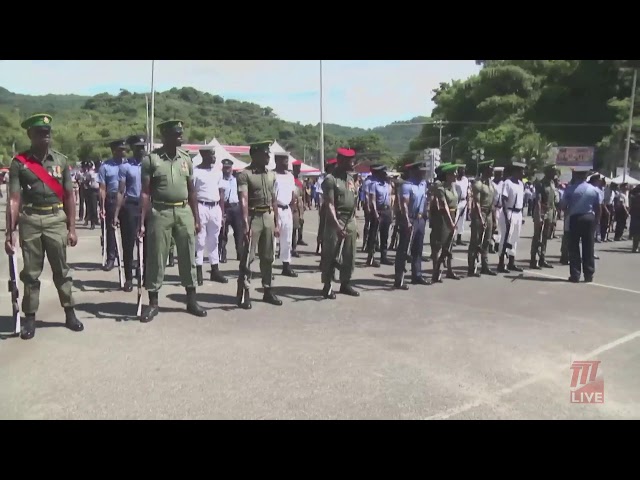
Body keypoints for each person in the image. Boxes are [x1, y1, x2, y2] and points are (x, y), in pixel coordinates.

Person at [5, 113, 84, 340]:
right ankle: (29, 317)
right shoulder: (20, 163)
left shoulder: (60, 161)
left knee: (61, 270)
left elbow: (69, 196)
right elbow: (13, 199)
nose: (46, 135)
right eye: (40, 132)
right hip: (30, 220)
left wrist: (72, 227)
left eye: (48, 132)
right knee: (31, 273)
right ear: (30, 135)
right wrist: (10, 232)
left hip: (55, 219)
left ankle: (69, 312)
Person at [138, 119, 206, 321]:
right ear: (165, 136)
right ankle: (153, 303)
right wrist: (143, 220)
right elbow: (145, 193)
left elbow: (192, 191)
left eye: (180, 132)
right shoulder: (151, 160)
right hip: (160, 211)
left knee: (188, 255)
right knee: (157, 257)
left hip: (184, 210)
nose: (180, 136)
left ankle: (191, 300)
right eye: (176, 133)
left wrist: (196, 217)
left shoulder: (186, 159)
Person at [236, 140, 281, 308]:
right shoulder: (244, 174)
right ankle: (244, 292)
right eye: (265, 153)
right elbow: (243, 199)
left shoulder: (271, 175)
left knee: (268, 256)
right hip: (253, 217)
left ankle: (268, 290)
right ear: (254, 155)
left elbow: (274, 199)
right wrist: (245, 223)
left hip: (268, 216)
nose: (268, 156)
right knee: (248, 257)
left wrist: (276, 223)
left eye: (268, 153)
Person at [320, 148, 360, 299]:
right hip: (336, 220)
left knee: (350, 254)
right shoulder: (331, 179)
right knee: (331, 254)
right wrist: (337, 226)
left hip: (350, 220)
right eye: (350, 160)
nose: (352, 163)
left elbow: (354, 202)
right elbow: (329, 204)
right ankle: (327, 285)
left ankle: (345, 283)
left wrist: (355, 223)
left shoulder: (350, 179)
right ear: (340, 160)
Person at [113, 134, 145, 291]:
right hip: (131, 206)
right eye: (138, 148)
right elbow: (120, 191)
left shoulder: (149, 165)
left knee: (146, 243)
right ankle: (129, 278)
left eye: (143, 148)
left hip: (146, 206)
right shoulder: (125, 167)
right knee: (128, 243)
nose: (141, 151)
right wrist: (116, 213)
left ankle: (142, 273)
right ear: (132, 149)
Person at [560, 166, 601, 282]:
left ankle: (575, 274)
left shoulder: (570, 189)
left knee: (573, 247)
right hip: (589, 218)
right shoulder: (594, 190)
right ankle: (589, 274)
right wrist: (597, 221)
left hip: (575, 218)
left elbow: (563, 206)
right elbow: (598, 207)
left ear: (576, 175)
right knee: (589, 247)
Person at [193, 146, 227, 285]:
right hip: (201, 206)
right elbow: (192, 194)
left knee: (214, 240)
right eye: (212, 155)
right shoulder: (195, 172)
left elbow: (221, 193)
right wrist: (195, 216)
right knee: (200, 241)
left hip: (215, 207)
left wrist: (222, 212)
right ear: (204, 155)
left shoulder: (217, 172)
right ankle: (198, 271)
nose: (214, 157)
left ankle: (215, 270)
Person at [98, 139, 128, 272]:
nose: (123, 151)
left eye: (124, 149)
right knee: (111, 229)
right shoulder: (106, 167)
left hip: (126, 200)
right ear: (114, 151)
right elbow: (102, 188)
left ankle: (127, 258)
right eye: (120, 149)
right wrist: (102, 206)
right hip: (111, 199)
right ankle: (111, 257)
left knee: (128, 231)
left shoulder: (129, 165)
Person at [400, 162, 430, 285]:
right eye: (422, 171)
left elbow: (424, 201)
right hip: (410, 219)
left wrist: (425, 216)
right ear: (415, 171)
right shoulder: (407, 185)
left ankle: (417, 275)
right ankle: (399, 278)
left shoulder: (423, 184)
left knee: (418, 250)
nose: (424, 173)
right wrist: (407, 221)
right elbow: (404, 205)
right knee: (404, 250)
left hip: (420, 219)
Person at [467, 160, 497, 276]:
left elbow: (492, 202)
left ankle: (485, 266)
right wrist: (481, 218)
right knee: (475, 241)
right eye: (490, 168)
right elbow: (477, 202)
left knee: (487, 241)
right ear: (485, 169)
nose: (492, 170)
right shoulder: (477, 184)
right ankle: (471, 267)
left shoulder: (490, 184)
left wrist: (494, 219)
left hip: (489, 213)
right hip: (480, 214)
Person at [432, 163, 460, 281]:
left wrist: (455, 219)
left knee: (450, 245)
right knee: (439, 245)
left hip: (453, 215)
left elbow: (455, 204)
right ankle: (436, 271)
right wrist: (450, 222)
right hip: (443, 217)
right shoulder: (440, 187)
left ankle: (449, 270)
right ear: (447, 175)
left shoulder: (451, 186)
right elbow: (444, 205)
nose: (456, 175)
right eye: (453, 173)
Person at [497, 162, 526, 273]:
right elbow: (503, 200)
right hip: (509, 212)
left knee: (514, 238)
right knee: (505, 238)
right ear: (515, 171)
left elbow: (521, 201)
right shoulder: (507, 183)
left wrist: (522, 215)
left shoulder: (520, 184)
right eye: (521, 171)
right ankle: (501, 263)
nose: (523, 173)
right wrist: (506, 216)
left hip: (518, 213)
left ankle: (511, 263)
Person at [273, 152, 298, 277]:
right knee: (272, 241)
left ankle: (286, 265)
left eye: (287, 160)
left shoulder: (290, 176)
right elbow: (272, 197)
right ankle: (268, 267)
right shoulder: (272, 175)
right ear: (277, 160)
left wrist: (292, 208)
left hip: (287, 209)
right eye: (284, 160)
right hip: (275, 209)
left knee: (287, 240)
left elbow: (293, 194)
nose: (286, 163)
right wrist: (275, 218)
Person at [530, 163, 557, 269]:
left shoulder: (552, 183)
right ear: (548, 172)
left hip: (550, 210)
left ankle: (542, 258)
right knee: (537, 236)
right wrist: (540, 215)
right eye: (553, 171)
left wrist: (554, 214)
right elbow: (538, 200)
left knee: (546, 236)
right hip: (541, 210)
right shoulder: (540, 184)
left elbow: (553, 200)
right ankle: (533, 260)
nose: (555, 173)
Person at [366, 165, 394, 267]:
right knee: (373, 235)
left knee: (385, 235)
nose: (385, 175)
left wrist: (391, 211)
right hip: (378, 210)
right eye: (383, 173)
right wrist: (375, 212)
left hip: (386, 210)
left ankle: (384, 256)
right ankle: (371, 257)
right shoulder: (374, 185)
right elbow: (372, 200)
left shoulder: (387, 185)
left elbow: (390, 198)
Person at [218, 158, 242, 263]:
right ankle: (223, 254)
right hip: (225, 207)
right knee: (223, 233)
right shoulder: (220, 179)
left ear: (232, 168)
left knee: (239, 232)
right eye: (225, 168)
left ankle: (240, 253)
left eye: (229, 168)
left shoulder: (236, 179)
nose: (227, 170)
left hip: (235, 207)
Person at [316, 158, 336, 254]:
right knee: (323, 228)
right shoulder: (323, 178)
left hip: (335, 206)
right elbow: (320, 194)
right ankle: (320, 246)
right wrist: (321, 207)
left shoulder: (336, 178)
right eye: (333, 166)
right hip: (325, 205)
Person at [291, 160, 306, 257]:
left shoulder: (300, 181)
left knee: (298, 227)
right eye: (297, 168)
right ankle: (291, 248)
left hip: (300, 206)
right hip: (292, 206)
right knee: (291, 229)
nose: (298, 170)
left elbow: (303, 193)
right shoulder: (290, 179)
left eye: (299, 168)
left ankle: (295, 245)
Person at [454, 164, 470, 246]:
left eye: (464, 170)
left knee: (462, 221)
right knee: (455, 220)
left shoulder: (466, 180)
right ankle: (452, 238)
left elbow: (468, 190)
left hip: (464, 201)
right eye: (461, 170)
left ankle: (459, 238)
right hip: (457, 202)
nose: (463, 171)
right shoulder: (455, 181)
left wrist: (468, 202)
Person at [629, 184, 640, 252]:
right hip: (636, 215)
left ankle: (635, 247)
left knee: (636, 233)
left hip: (634, 216)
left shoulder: (633, 197)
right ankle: (635, 247)